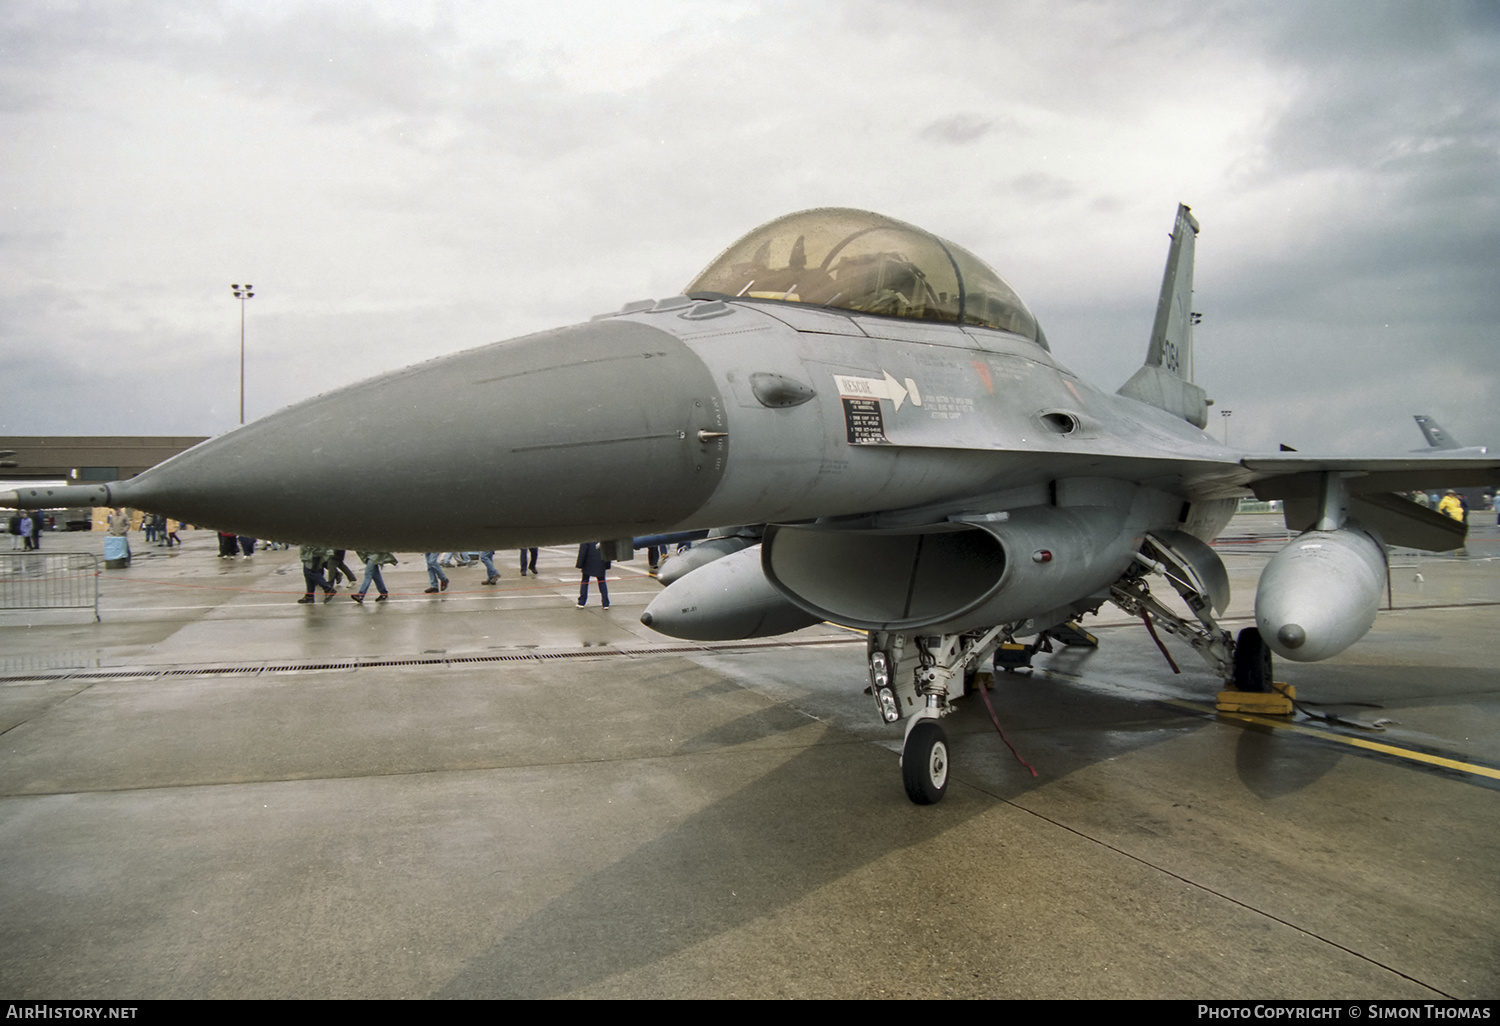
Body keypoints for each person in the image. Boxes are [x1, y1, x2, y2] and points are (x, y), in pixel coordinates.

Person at [575, 542, 610, 608]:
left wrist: (579, 563)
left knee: (584, 581)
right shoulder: (603, 535)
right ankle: (605, 603)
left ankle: (581, 602)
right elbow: (608, 549)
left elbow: (583, 551)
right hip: (601, 561)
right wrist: (607, 564)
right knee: (602, 582)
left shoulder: (587, 536)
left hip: (588, 562)